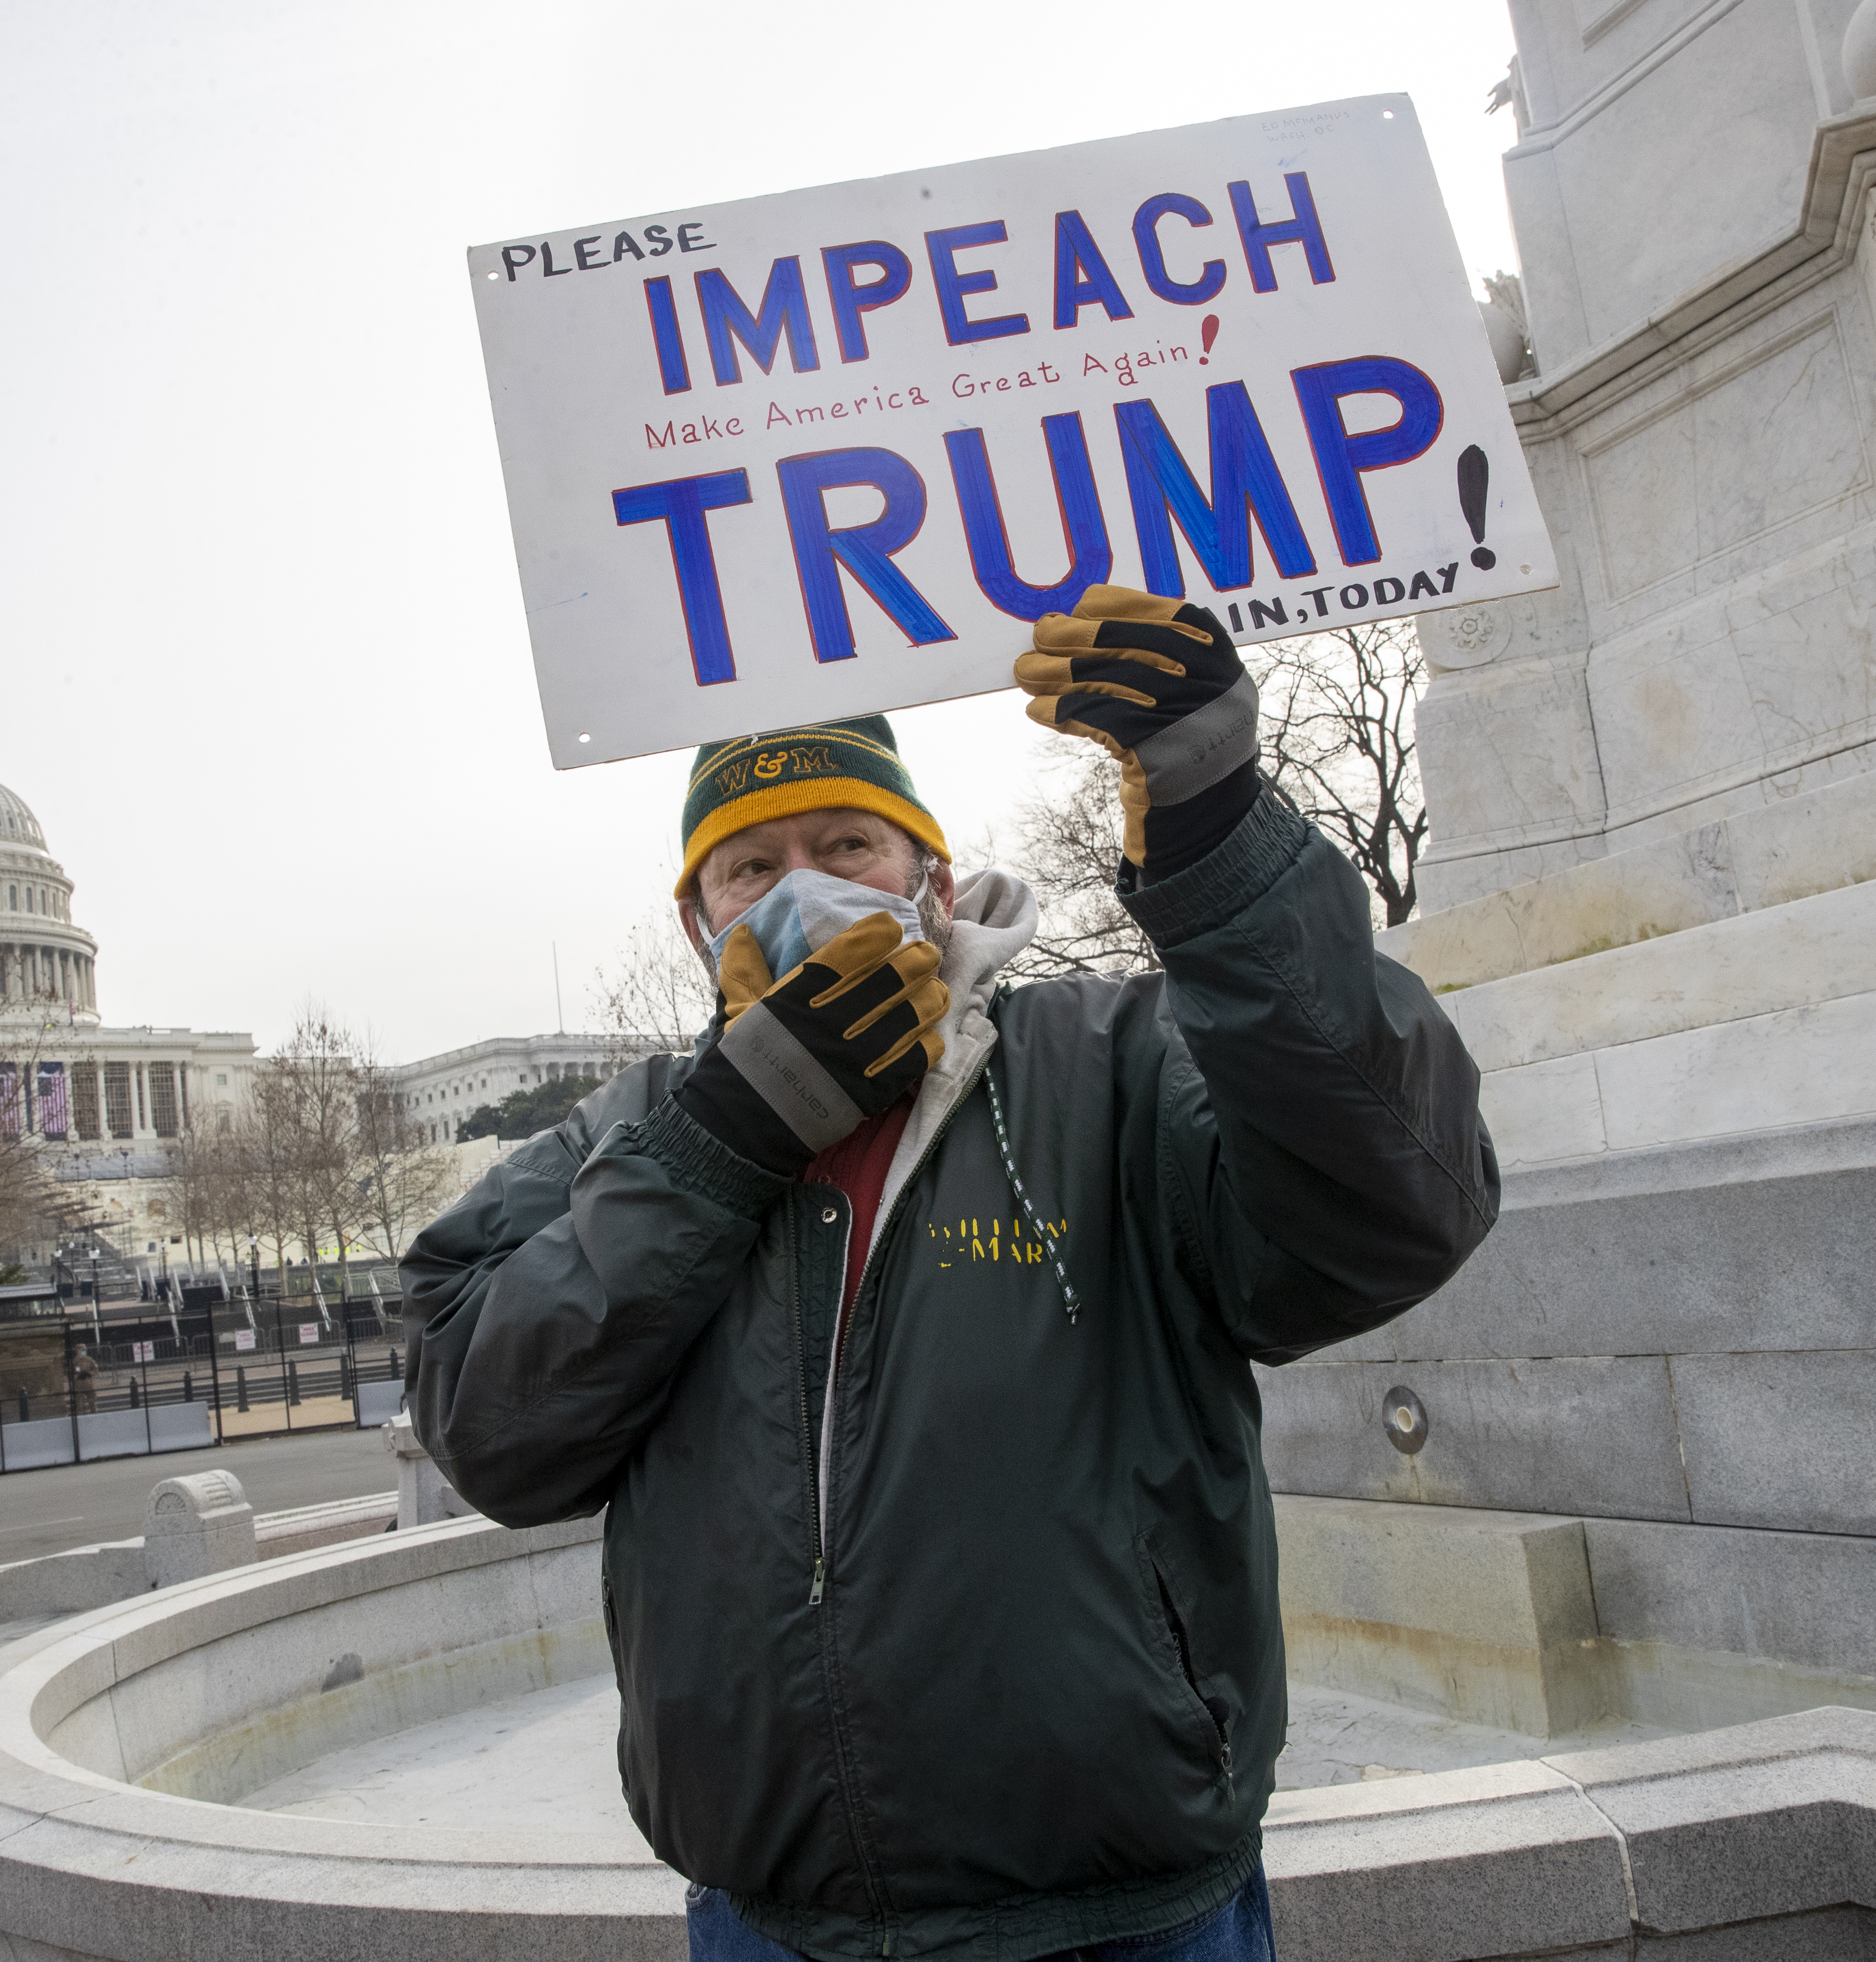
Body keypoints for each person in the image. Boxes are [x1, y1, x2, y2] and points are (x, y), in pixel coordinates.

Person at [405, 587, 1498, 1962]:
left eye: (848, 841)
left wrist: (1221, 833)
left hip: (1125, 1918)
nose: (801, 882)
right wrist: (726, 1137)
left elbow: (1395, 1207)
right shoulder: (619, 1136)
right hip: (773, 1925)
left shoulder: (1114, 1061)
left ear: (930, 873)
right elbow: (493, 1426)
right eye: (750, 864)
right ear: (697, 918)